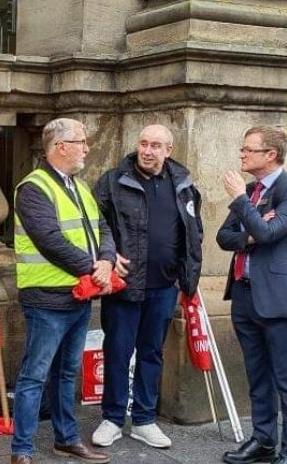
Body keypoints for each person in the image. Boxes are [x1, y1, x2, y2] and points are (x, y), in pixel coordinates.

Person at [92, 125, 203, 449]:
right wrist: (108, 256)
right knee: (117, 351)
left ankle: (144, 420)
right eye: (143, 143)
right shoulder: (113, 181)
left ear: (168, 150)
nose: (147, 150)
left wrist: (188, 279)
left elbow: (193, 233)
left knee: (152, 353)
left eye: (156, 145)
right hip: (124, 286)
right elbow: (94, 226)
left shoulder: (183, 184)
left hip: (164, 286)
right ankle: (112, 418)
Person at [10, 118, 113, 464]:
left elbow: (104, 229)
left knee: (67, 372)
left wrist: (107, 261)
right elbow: (50, 241)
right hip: (47, 300)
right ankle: (21, 449)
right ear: (60, 147)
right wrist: (94, 268)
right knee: (34, 375)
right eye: (81, 141)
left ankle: (65, 439)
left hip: (79, 296)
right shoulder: (33, 187)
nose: (86, 148)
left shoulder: (79, 186)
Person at [216, 126, 287, 464]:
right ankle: (264, 441)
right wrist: (252, 231)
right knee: (257, 376)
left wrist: (243, 203)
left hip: (282, 300)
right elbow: (224, 237)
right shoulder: (254, 191)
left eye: (248, 149)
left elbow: (270, 231)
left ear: (270, 154)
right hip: (244, 295)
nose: (241, 154)